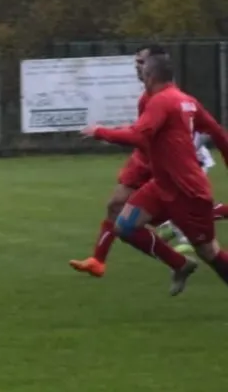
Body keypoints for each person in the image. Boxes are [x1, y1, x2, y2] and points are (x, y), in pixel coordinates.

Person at [70, 44, 228, 276]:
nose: (138, 70)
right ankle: (181, 264)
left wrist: (99, 131)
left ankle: (183, 254)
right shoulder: (183, 100)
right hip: (162, 184)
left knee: (209, 252)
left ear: (150, 75)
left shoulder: (163, 101)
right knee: (124, 225)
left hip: (186, 190)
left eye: (141, 66)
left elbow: (138, 136)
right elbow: (219, 134)